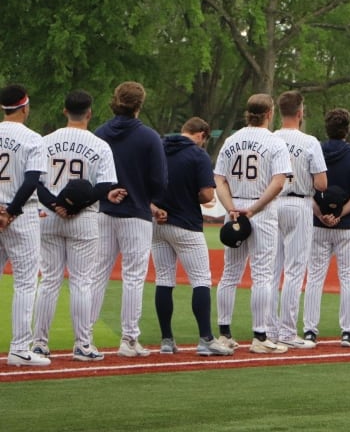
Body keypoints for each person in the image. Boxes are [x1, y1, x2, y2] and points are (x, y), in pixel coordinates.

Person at [32, 90, 121, 362]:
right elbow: (106, 186)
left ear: (64, 111)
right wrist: (75, 207)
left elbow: (33, 180)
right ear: (90, 113)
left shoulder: (44, 142)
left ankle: (38, 344)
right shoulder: (99, 145)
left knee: (49, 281)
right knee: (82, 282)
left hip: (48, 216)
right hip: (84, 219)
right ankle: (83, 345)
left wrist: (56, 205)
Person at [90, 81, 168, 358]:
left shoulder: (100, 133)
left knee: (97, 274)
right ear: (139, 104)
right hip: (136, 212)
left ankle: (84, 337)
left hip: (104, 210)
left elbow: (91, 173)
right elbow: (160, 180)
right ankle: (129, 339)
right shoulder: (148, 137)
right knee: (133, 277)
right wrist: (152, 199)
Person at [214, 94, 291, 354]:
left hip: (234, 209)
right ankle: (260, 336)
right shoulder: (274, 142)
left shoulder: (231, 140)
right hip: (261, 212)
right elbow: (278, 182)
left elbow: (219, 180)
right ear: (269, 113)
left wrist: (231, 209)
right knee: (262, 276)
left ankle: (224, 334)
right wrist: (253, 209)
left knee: (230, 273)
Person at [150, 117, 233, 357]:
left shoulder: (159, 148)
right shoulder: (198, 155)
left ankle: (166, 339)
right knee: (200, 279)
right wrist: (189, 195)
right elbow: (207, 195)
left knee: (164, 279)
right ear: (202, 135)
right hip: (185, 223)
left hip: (157, 221)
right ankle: (206, 338)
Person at [302, 108, 350, 347]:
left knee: (315, 278)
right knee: (349, 278)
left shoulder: (314, 150)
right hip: (348, 225)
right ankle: (348, 332)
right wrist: (341, 212)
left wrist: (321, 214)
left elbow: (306, 189)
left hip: (317, 223)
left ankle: (310, 331)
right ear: (348, 129)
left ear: (326, 127)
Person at [272, 91, 327, 349]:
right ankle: (287, 332)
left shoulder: (270, 138)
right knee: (294, 270)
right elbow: (321, 182)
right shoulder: (309, 141)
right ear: (300, 112)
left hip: (271, 202)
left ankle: (267, 330)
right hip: (299, 202)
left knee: (271, 271)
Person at [0, 84, 49, 367]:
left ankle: (20, 347)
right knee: (25, 283)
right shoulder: (32, 138)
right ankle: (19, 348)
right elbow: (32, 180)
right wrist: (11, 211)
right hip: (22, 215)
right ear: (25, 107)